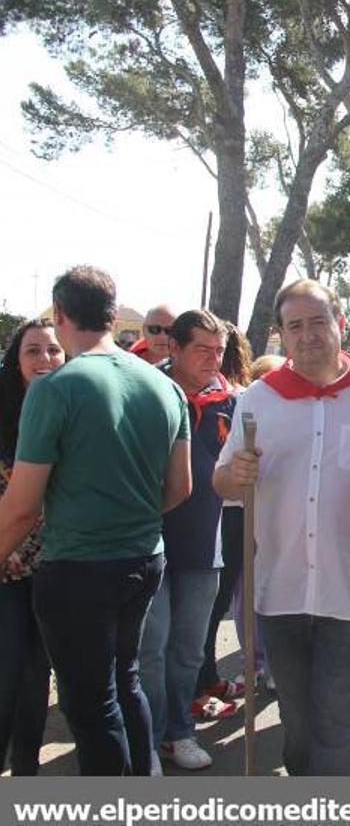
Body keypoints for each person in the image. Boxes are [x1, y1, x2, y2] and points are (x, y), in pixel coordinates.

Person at [213, 279, 350, 776]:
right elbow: (221, 482)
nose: (307, 335)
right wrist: (235, 474)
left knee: (339, 722)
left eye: (317, 322)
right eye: (295, 326)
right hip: (279, 591)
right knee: (298, 721)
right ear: (282, 334)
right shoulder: (259, 399)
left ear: (340, 324)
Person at [0, 266, 191, 776]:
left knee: (91, 705)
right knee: (125, 683)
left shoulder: (55, 388)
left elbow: (22, 505)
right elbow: (180, 488)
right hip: (144, 559)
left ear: (60, 314)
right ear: (111, 313)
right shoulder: (165, 387)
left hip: (78, 567)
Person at [138, 311, 236, 773]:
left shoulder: (230, 402)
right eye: (202, 350)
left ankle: (179, 732)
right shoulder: (144, 392)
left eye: (219, 351)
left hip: (202, 546)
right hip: (146, 544)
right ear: (174, 348)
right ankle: (148, 739)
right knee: (151, 650)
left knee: (188, 651)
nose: (213, 360)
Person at [0, 319, 65, 775]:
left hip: (55, 563)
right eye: (33, 351)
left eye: (53, 350)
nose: (45, 359)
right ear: (16, 360)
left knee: (37, 673)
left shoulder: (76, 406)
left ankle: (26, 769)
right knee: (6, 669)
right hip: (6, 560)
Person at [195, 324, 259, 717]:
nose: (212, 357)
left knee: (214, 602)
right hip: (214, 511)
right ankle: (197, 684)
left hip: (230, 511)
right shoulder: (221, 398)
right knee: (208, 604)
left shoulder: (237, 397)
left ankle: (205, 677)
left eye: (220, 349)